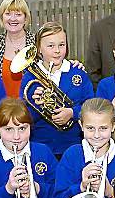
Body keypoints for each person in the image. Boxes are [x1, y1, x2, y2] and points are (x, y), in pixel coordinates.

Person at [20, 21, 94, 158]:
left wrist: (72, 112)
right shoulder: (30, 78)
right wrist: (37, 105)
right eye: (50, 46)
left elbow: (91, 106)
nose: (57, 50)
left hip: (74, 144)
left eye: (62, 45)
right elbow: (24, 117)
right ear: (38, 49)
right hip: (41, 145)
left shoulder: (78, 73)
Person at [54, 97, 115, 198]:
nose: (96, 135)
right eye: (90, 128)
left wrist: (110, 192)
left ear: (114, 126)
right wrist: (81, 187)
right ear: (81, 126)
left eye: (103, 128)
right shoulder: (72, 155)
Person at [0, 0, 35, 98]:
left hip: (32, 108)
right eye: (8, 14)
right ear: (2, 18)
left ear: (25, 18)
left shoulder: (37, 43)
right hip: (2, 107)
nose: (13, 19)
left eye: (18, 14)